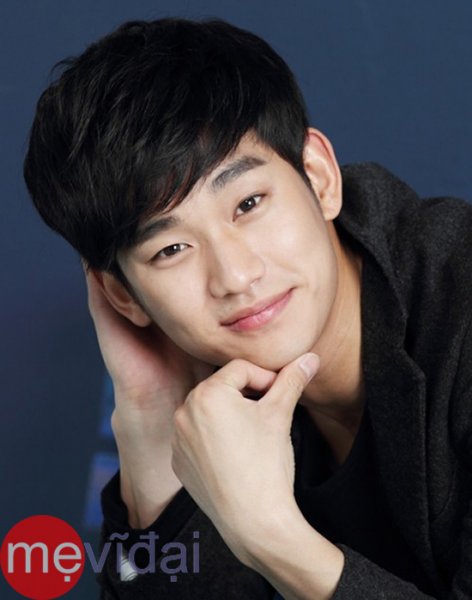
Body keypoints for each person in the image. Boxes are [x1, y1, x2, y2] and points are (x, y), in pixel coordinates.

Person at [23, 17, 472, 600]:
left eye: (249, 203)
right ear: (123, 296)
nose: (235, 277)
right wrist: (152, 425)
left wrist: (275, 540)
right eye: (171, 249)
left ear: (319, 176)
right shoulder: (213, 401)